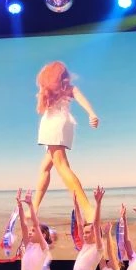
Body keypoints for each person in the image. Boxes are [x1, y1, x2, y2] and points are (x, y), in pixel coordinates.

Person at [32, 62, 100, 221]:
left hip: (53, 126)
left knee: (62, 166)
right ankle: (34, 208)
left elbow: (40, 110)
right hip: (63, 124)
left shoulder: (52, 91)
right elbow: (82, 100)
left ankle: (88, 210)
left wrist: (92, 114)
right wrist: (92, 114)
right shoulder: (68, 89)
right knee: (45, 168)